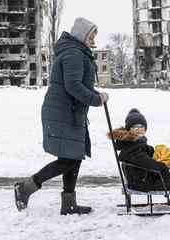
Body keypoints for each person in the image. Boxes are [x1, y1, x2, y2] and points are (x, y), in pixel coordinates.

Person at [14, 17, 109, 215]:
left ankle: (69, 204)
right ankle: (25, 188)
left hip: (68, 111)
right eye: (91, 34)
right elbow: (73, 86)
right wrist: (97, 99)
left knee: (73, 157)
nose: (94, 38)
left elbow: (77, 83)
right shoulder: (73, 53)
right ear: (82, 35)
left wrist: (93, 95)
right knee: (68, 159)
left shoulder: (77, 51)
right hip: (63, 112)